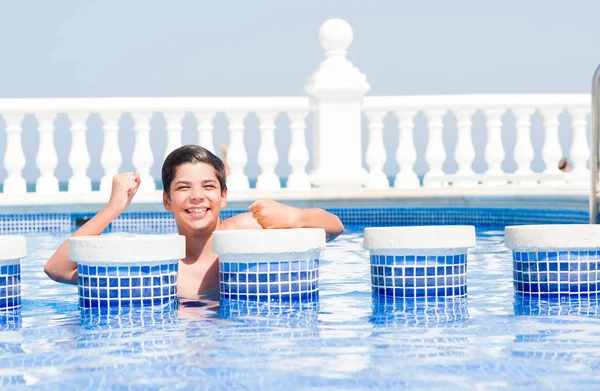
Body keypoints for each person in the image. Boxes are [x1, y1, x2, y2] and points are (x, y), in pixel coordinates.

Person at [43, 145, 344, 298]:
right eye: (184, 188)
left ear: (223, 196)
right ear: (167, 200)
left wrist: (294, 216)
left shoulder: (244, 231)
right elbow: (57, 269)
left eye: (208, 187)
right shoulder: (154, 260)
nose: (197, 197)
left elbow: (334, 226)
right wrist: (113, 208)